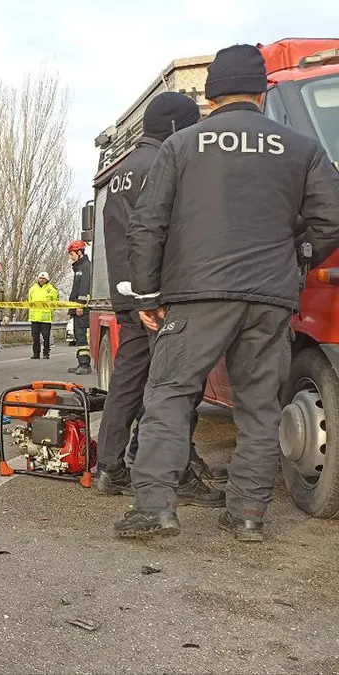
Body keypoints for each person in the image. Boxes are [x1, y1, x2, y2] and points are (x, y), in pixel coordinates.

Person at [117, 44, 339, 541]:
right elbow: (332, 220)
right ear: (262, 90)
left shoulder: (181, 146)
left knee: (170, 395)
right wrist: (297, 260)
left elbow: (146, 225)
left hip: (196, 294)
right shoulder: (301, 148)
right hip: (270, 297)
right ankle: (247, 515)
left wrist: (148, 295)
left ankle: (155, 508)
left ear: (211, 93)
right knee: (260, 407)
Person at [93, 92, 223, 508]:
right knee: (175, 387)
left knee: (127, 385)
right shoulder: (165, 165)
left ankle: (109, 467)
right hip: (160, 297)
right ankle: (178, 472)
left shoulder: (122, 171)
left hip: (127, 295)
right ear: (173, 128)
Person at [67, 240, 92, 375]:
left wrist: (80, 306)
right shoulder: (79, 268)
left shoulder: (85, 267)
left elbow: (84, 288)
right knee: (78, 335)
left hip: (83, 309)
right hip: (77, 308)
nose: (71, 257)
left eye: (72, 254)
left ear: (80, 252)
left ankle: (85, 365)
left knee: (81, 336)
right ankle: (81, 363)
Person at [28, 272, 58, 359]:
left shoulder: (52, 289)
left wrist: (50, 311)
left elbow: (55, 302)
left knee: (46, 337)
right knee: (35, 337)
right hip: (34, 317)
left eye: (43, 278)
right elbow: (29, 301)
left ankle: (46, 353)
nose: (41, 280)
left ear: (47, 279)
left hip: (45, 317)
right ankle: (36, 353)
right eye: (40, 278)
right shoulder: (32, 289)